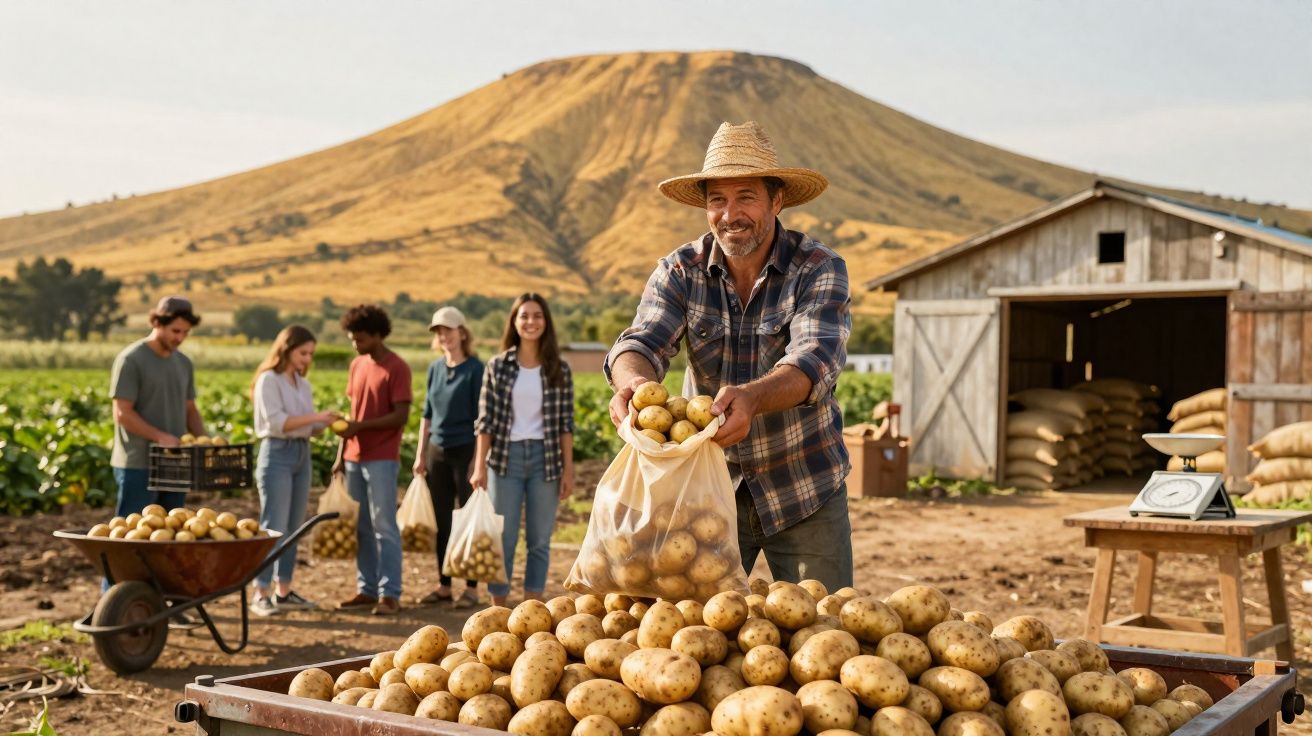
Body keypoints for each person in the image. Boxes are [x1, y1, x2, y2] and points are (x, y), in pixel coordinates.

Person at [604, 121, 854, 590]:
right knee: (696, 634)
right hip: (705, 488)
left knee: (828, 629)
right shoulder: (680, 270)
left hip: (803, 484)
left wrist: (754, 398)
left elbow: (815, 360)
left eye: (746, 197)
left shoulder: (818, 268)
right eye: (717, 200)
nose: (729, 214)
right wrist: (632, 385)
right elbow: (640, 342)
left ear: (776, 201)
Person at [471, 294, 574, 606]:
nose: (531, 322)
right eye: (525, 316)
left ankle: (532, 608)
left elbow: (565, 425)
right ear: (514, 322)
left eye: (537, 316)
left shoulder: (559, 369)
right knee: (503, 538)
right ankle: (497, 610)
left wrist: (568, 470)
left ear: (546, 322)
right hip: (505, 460)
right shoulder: (498, 367)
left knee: (540, 541)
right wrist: (479, 466)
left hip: (546, 461)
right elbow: (485, 421)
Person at [248, 325, 340, 617]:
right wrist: (315, 417)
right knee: (273, 525)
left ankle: (283, 591)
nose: (306, 359)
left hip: (302, 454)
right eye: (303, 352)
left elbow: (305, 428)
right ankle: (261, 592)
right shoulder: (268, 381)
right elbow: (277, 423)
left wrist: (325, 425)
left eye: (310, 354)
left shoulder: (303, 385)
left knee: (294, 527)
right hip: (277, 452)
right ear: (286, 349)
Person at [332, 305, 412, 616]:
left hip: (381, 458)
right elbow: (353, 414)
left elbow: (401, 415)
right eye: (353, 339)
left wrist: (360, 428)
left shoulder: (397, 368)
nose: (356, 344)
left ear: (378, 335)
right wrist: (341, 455)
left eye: (361, 339)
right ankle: (366, 589)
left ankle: (390, 593)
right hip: (353, 457)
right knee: (361, 528)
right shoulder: (357, 366)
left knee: (384, 526)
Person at [109, 296, 207, 517]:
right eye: (175, 331)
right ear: (156, 323)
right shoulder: (131, 359)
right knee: (132, 531)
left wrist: (204, 441)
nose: (180, 338)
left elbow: (190, 409)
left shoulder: (183, 363)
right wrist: (159, 436)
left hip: (174, 461)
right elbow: (122, 412)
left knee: (172, 530)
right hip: (138, 463)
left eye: (185, 332)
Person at [414, 306, 484, 609]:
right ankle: (443, 585)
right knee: (442, 521)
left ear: (462, 333)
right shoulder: (435, 369)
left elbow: (482, 417)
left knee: (466, 520)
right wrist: (420, 456)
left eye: (449, 330)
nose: (444, 336)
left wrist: (478, 460)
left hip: (466, 451)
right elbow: (427, 416)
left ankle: (470, 589)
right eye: (439, 332)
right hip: (437, 453)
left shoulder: (475, 369)